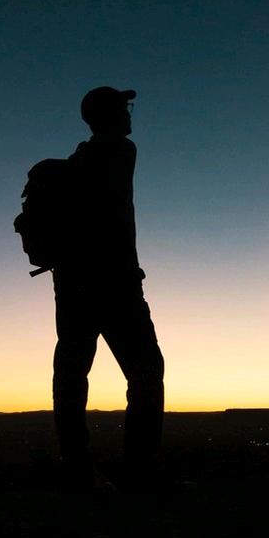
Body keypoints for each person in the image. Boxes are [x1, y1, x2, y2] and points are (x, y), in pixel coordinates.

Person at [51, 86, 165, 491]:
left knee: (72, 372)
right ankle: (141, 473)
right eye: (124, 106)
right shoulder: (120, 149)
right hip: (114, 282)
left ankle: (77, 470)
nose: (130, 113)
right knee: (147, 373)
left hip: (70, 282)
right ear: (109, 114)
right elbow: (112, 212)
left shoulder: (75, 161)